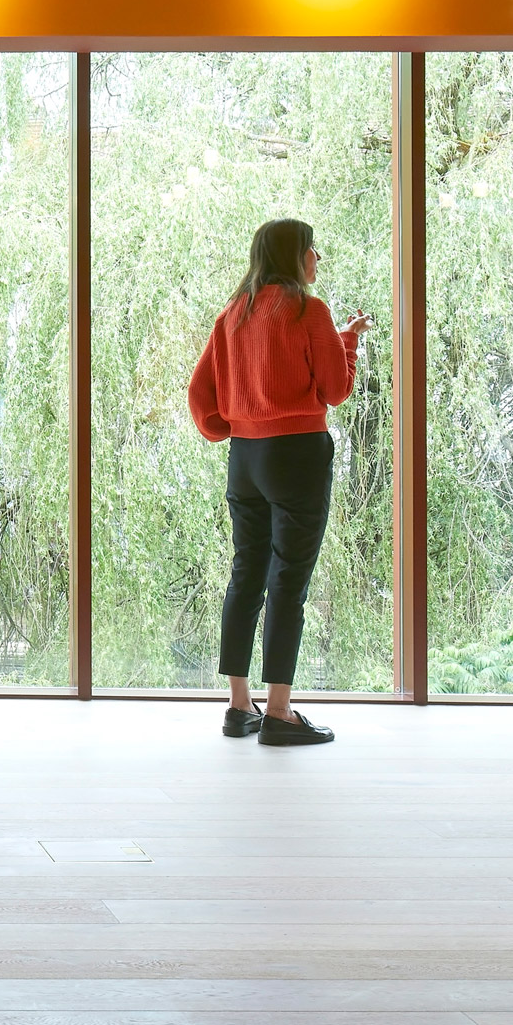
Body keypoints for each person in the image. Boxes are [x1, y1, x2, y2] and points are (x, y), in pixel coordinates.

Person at [188, 217, 370, 748]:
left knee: (246, 572)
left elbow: (201, 394)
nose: (318, 261)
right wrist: (348, 345)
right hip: (297, 455)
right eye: (314, 251)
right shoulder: (308, 309)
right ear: (297, 256)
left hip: (245, 457)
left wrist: (234, 427)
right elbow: (335, 389)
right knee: (288, 581)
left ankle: (238, 706)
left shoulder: (232, 315)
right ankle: (280, 713)